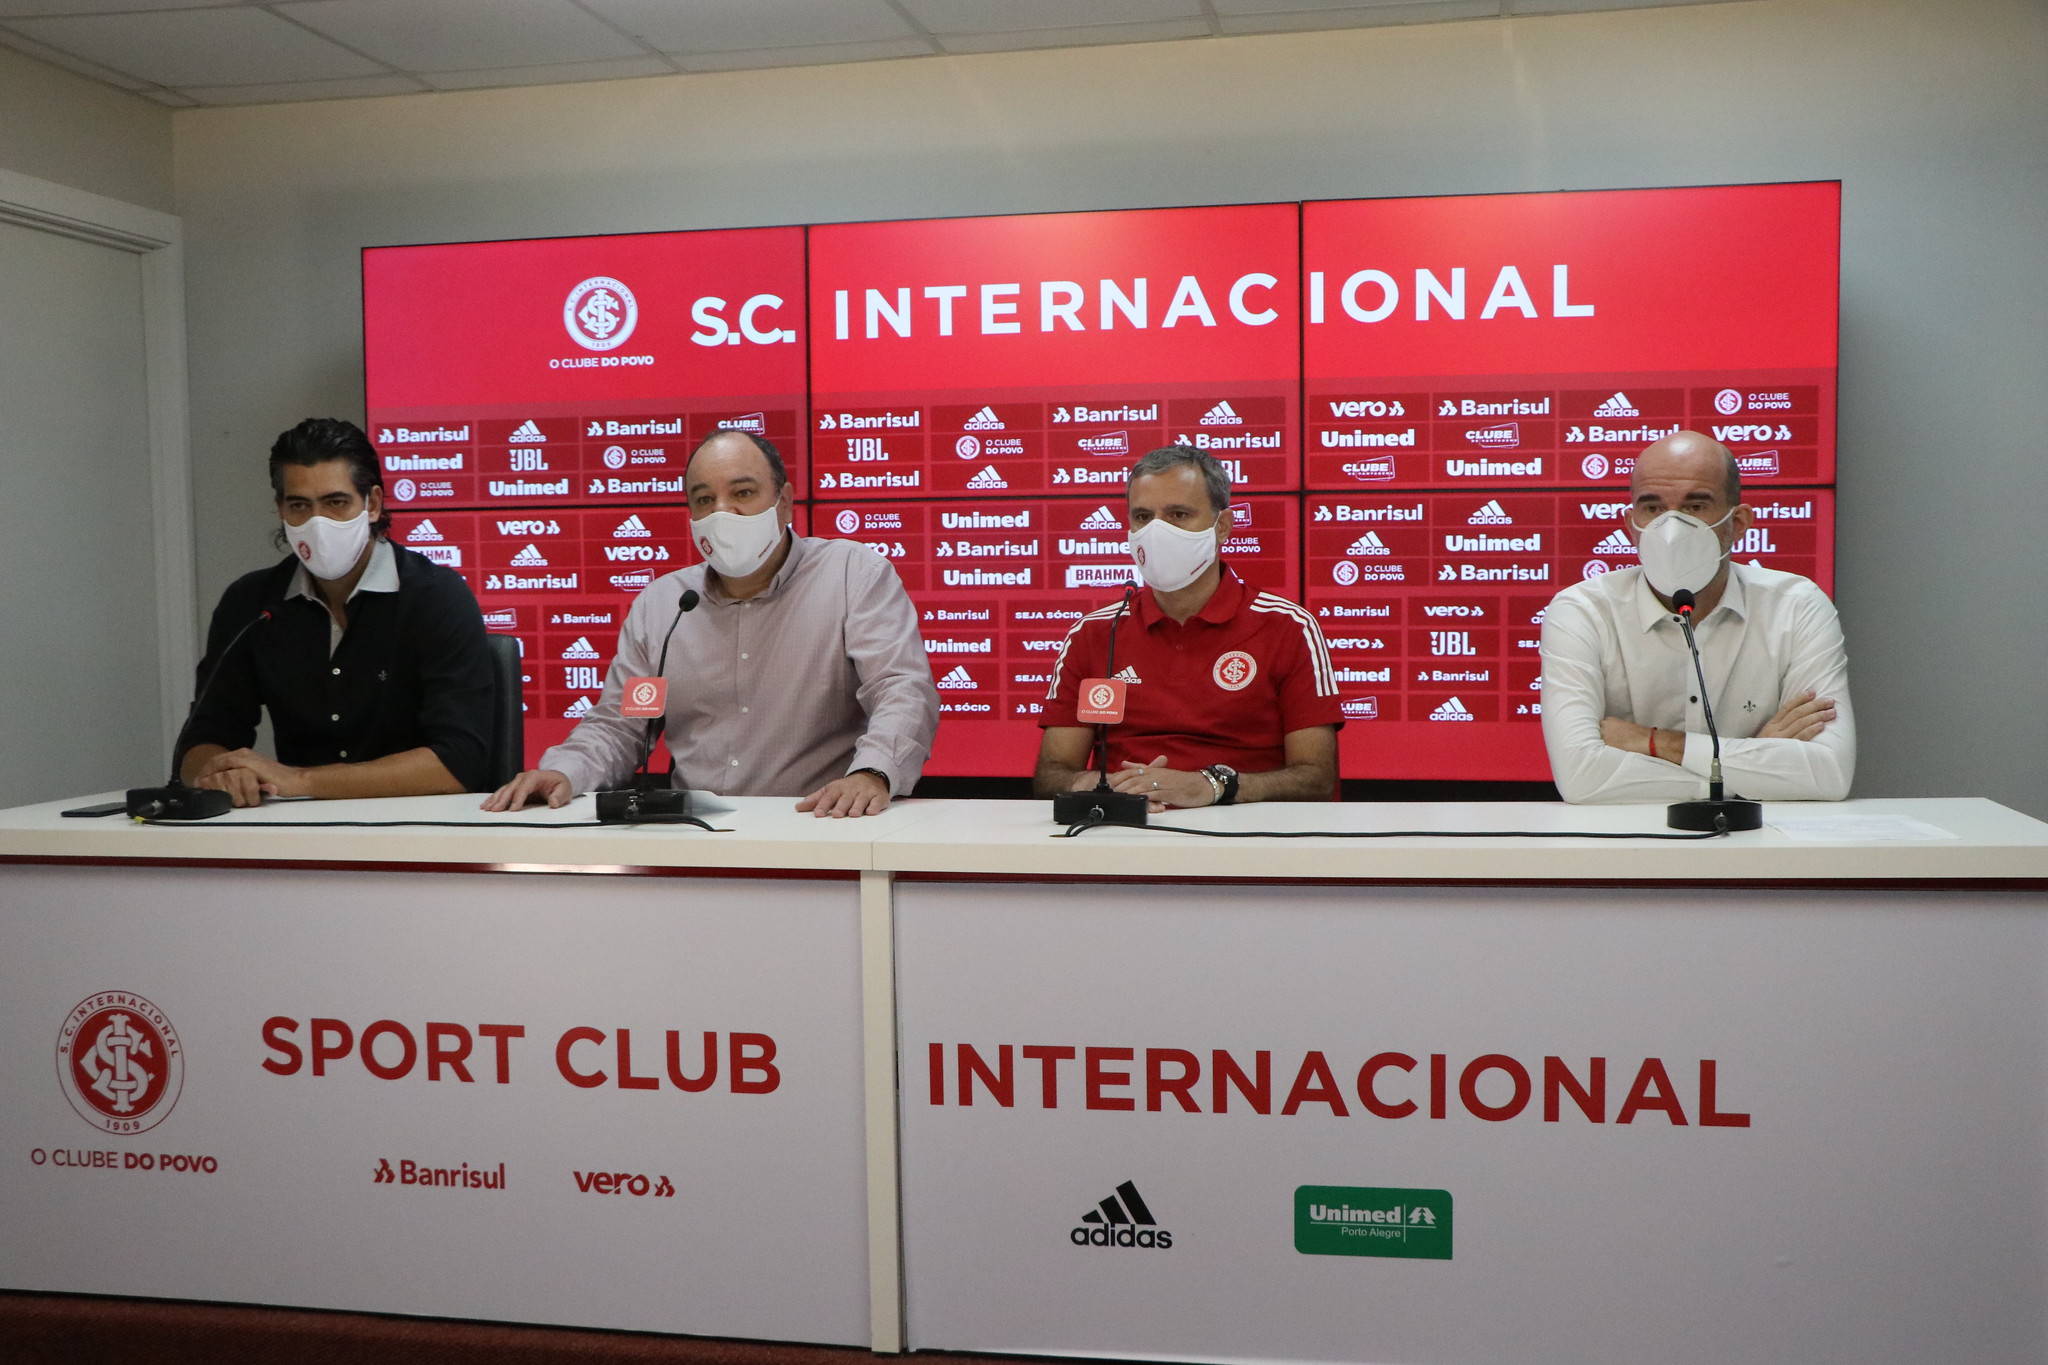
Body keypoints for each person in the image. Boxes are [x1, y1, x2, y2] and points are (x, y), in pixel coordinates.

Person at [484, 430, 939, 818]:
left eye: (742, 493)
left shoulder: (851, 574)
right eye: (704, 500)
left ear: (784, 503)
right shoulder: (662, 604)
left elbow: (901, 687)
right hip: (691, 833)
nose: (722, 513)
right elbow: (622, 727)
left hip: (816, 823)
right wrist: (564, 769)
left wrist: (873, 772)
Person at [182, 418, 496, 806]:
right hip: (297, 836)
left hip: (424, 834)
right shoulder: (251, 603)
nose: (318, 523)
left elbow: (460, 762)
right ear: (280, 509)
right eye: (300, 505)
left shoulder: (436, 597)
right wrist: (220, 772)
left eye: (336, 502)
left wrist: (301, 780)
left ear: (373, 504)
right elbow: (200, 742)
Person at [1540, 429, 1854, 803]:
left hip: (1759, 847)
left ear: (1737, 523)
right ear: (1631, 526)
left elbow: (1828, 774)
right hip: (1625, 850)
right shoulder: (1582, 612)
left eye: (1695, 505)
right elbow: (1581, 778)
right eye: (1653, 507)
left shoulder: (1796, 606)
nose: (1671, 528)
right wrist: (1754, 760)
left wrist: (1652, 742)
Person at [1033, 445, 1340, 810]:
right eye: (1143, 517)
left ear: (1222, 526)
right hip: (1127, 830)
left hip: (1246, 834)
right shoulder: (1095, 633)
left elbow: (1317, 778)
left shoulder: (1287, 626)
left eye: (1179, 514)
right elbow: (1050, 776)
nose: (1157, 532)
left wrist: (1212, 785)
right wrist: (1110, 785)